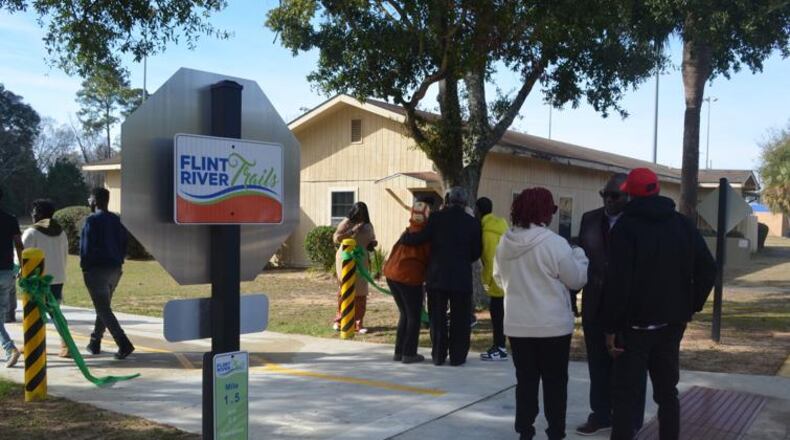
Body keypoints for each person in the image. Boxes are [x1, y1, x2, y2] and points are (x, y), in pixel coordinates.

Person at [602, 168, 715, 440]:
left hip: (633, 329)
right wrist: (691, 305)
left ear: (630, 193)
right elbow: (708, 269)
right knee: (667, 394)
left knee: (625, 396)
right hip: (671, 324)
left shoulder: (624, 228)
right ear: (657, 188)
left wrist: (610, 328)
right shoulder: (682, 224)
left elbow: (617, 283)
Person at [494, 187, 589, 440]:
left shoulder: (504, 243)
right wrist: (580, 256)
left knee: (525, 383)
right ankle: (555, 432)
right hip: (553, 327)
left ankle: (525, 431)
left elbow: (499, 278)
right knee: (555, 383)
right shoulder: (555, 244)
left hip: (517, 325)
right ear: (544, 212)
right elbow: (576, 279)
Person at [576, 174, 647, 435]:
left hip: (628, 308)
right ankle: (601, 414)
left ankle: (631, 419)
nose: (608, 200)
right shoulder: (589, 220)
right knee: (597, 364)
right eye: (605, 195)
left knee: (630, 368)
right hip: (595, 304)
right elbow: (581, 258)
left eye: (615, 196)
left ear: (629, 197)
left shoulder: (638, 222)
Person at [400, 186, 482, 366]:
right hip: (461, 277)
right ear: (465, 203)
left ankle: (438, 355)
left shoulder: (436, 218)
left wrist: (406, 237)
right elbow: (476, 252)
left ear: (447, 200)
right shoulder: (473, 223)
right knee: (460, 319)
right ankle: (458, 357)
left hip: (437, 276)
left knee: (437, 318)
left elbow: (420, 238)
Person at [81, 187, 135, 359]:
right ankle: (95, 342)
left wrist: (85, 267)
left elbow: (86, 247)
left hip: (97, 270)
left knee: (103, 309)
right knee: (103, 307)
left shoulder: (92, 220)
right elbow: (124, 244)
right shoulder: (117, 220)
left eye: (90, 199)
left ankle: (123, 343)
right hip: (115, 269)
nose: (88, 201)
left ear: (95, 201)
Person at [19, 199, 70, 358]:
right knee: (55, 313)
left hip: (36, 281)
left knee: (33, 313)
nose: (32, 215)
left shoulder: (31, 232)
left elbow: (21, 256)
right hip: (57, 278)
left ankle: (32, 344)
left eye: (34, 212)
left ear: (39, 214)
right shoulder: (61, 232)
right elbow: (65, 255)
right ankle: (66, 344)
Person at [382, 200, 431, 364]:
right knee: (414, 316)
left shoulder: (407, 231)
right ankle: (409, 353)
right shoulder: (425, 235)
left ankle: (399, 351)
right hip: (409, 278)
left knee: (405, 313)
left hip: (392, 274)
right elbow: (429, 257)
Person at [333, 202, 377, 334]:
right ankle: (340, 320)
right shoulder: (346, 223)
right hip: (346, 259)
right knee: (345, 289)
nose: (360, 217)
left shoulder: (368, 225)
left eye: (362, 214)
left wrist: (372, 244)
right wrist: (353, 230)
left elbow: (370, 240)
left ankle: (358, 322)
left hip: (361, 260)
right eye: (358, 214)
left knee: (361, 291)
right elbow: (336, 239)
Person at [476, 197, 509, 361]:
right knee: (501, 315)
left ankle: (500, 348)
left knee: (497, 316)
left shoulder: (487, 232)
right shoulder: (502, 226)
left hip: (496, 281)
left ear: (478, 211)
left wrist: (486, 283)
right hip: (507, 278)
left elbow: (489, 260)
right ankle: (499, 346)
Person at [0, 188, 23, 367]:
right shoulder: (11, 219)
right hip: (7, 273)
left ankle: (10, 348)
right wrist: (23, 266)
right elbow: (19, 245)